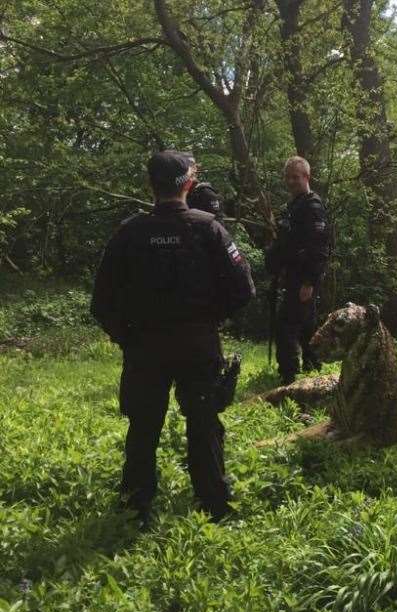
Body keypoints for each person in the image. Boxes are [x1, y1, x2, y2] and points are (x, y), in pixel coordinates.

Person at [91, 150, 255, 527]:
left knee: (144, 424)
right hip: (198, 342)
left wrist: (126, 336)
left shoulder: (129, 232)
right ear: (189, 184)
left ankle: (137, 507)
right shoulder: (209, 227)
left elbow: (101, 301)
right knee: (203, 421)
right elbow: (244, 288)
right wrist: (212, 319)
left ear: (151, 185)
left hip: (144, 346)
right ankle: (214, 505)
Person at [265, 156, 331, 385]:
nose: (291, 181)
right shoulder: (294, 206)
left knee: (286, 326)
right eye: (288, 177)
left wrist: (309, 282)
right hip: (292, 275)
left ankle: (289, 376)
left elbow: (319, 247)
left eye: (296, 177)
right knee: (307, 325)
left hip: (304, 277)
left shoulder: (312, 206)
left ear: (307, 177)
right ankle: (313, 367)